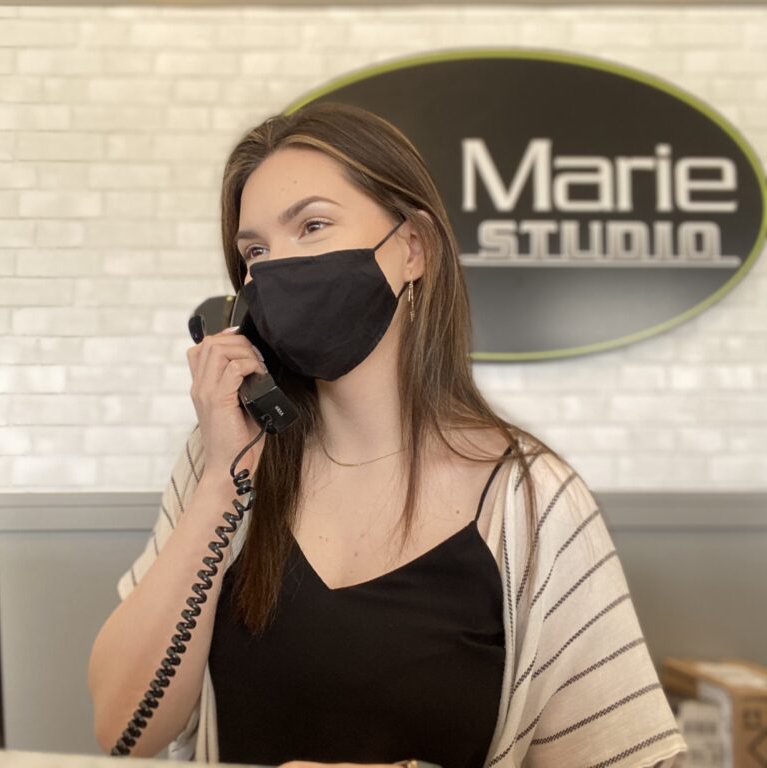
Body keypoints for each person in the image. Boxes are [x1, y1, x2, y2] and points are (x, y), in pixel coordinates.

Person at [88, 102, 687, 768]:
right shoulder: (224, 459)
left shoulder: (530, 499)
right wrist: (220, 483)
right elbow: (124, 728)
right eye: (255, 251)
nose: (276, 268)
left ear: (412, 249)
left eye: (313, 226)